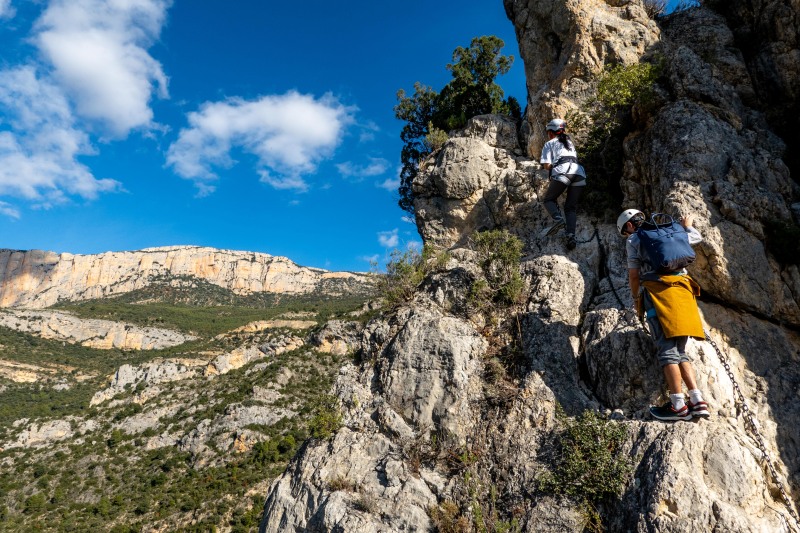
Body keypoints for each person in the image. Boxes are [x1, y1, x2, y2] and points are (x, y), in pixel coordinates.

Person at [617, 209, 710, 421]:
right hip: (684, 292)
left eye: (625, 231)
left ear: (629, 226)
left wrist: (635, 298)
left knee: (667, 351)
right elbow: (695, 237)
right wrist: (686, 225)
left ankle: (678, 405)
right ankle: (697, 401)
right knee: (680, 350)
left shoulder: (634, 239)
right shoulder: (671, 230)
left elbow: (634, 275)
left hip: (659, 294)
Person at [539, 118, 587, 250]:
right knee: (570, 208)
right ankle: (571, 236)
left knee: (549, 199)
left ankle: (558, 220)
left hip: (564, 171)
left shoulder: (549, 144)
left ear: (551, 132)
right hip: (579, 173)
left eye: (548, 132)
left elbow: (546, 166)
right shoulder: (569, 142)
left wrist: (552, 165)